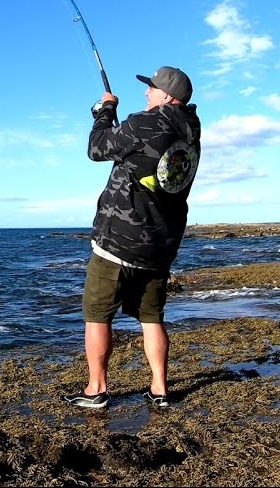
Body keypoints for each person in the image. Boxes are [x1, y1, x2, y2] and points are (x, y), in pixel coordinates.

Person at [64, 65, 201, 410]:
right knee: (151, 316)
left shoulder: (143, 124)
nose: (146, 92)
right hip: (161, 244)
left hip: (119, 240)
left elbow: (97, 149)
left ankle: (97, 388)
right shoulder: (191, 130)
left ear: (167, 96)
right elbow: (145, 149)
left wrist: (105, 110)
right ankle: (160, 389)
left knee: (97, 313)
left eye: (152, 88)